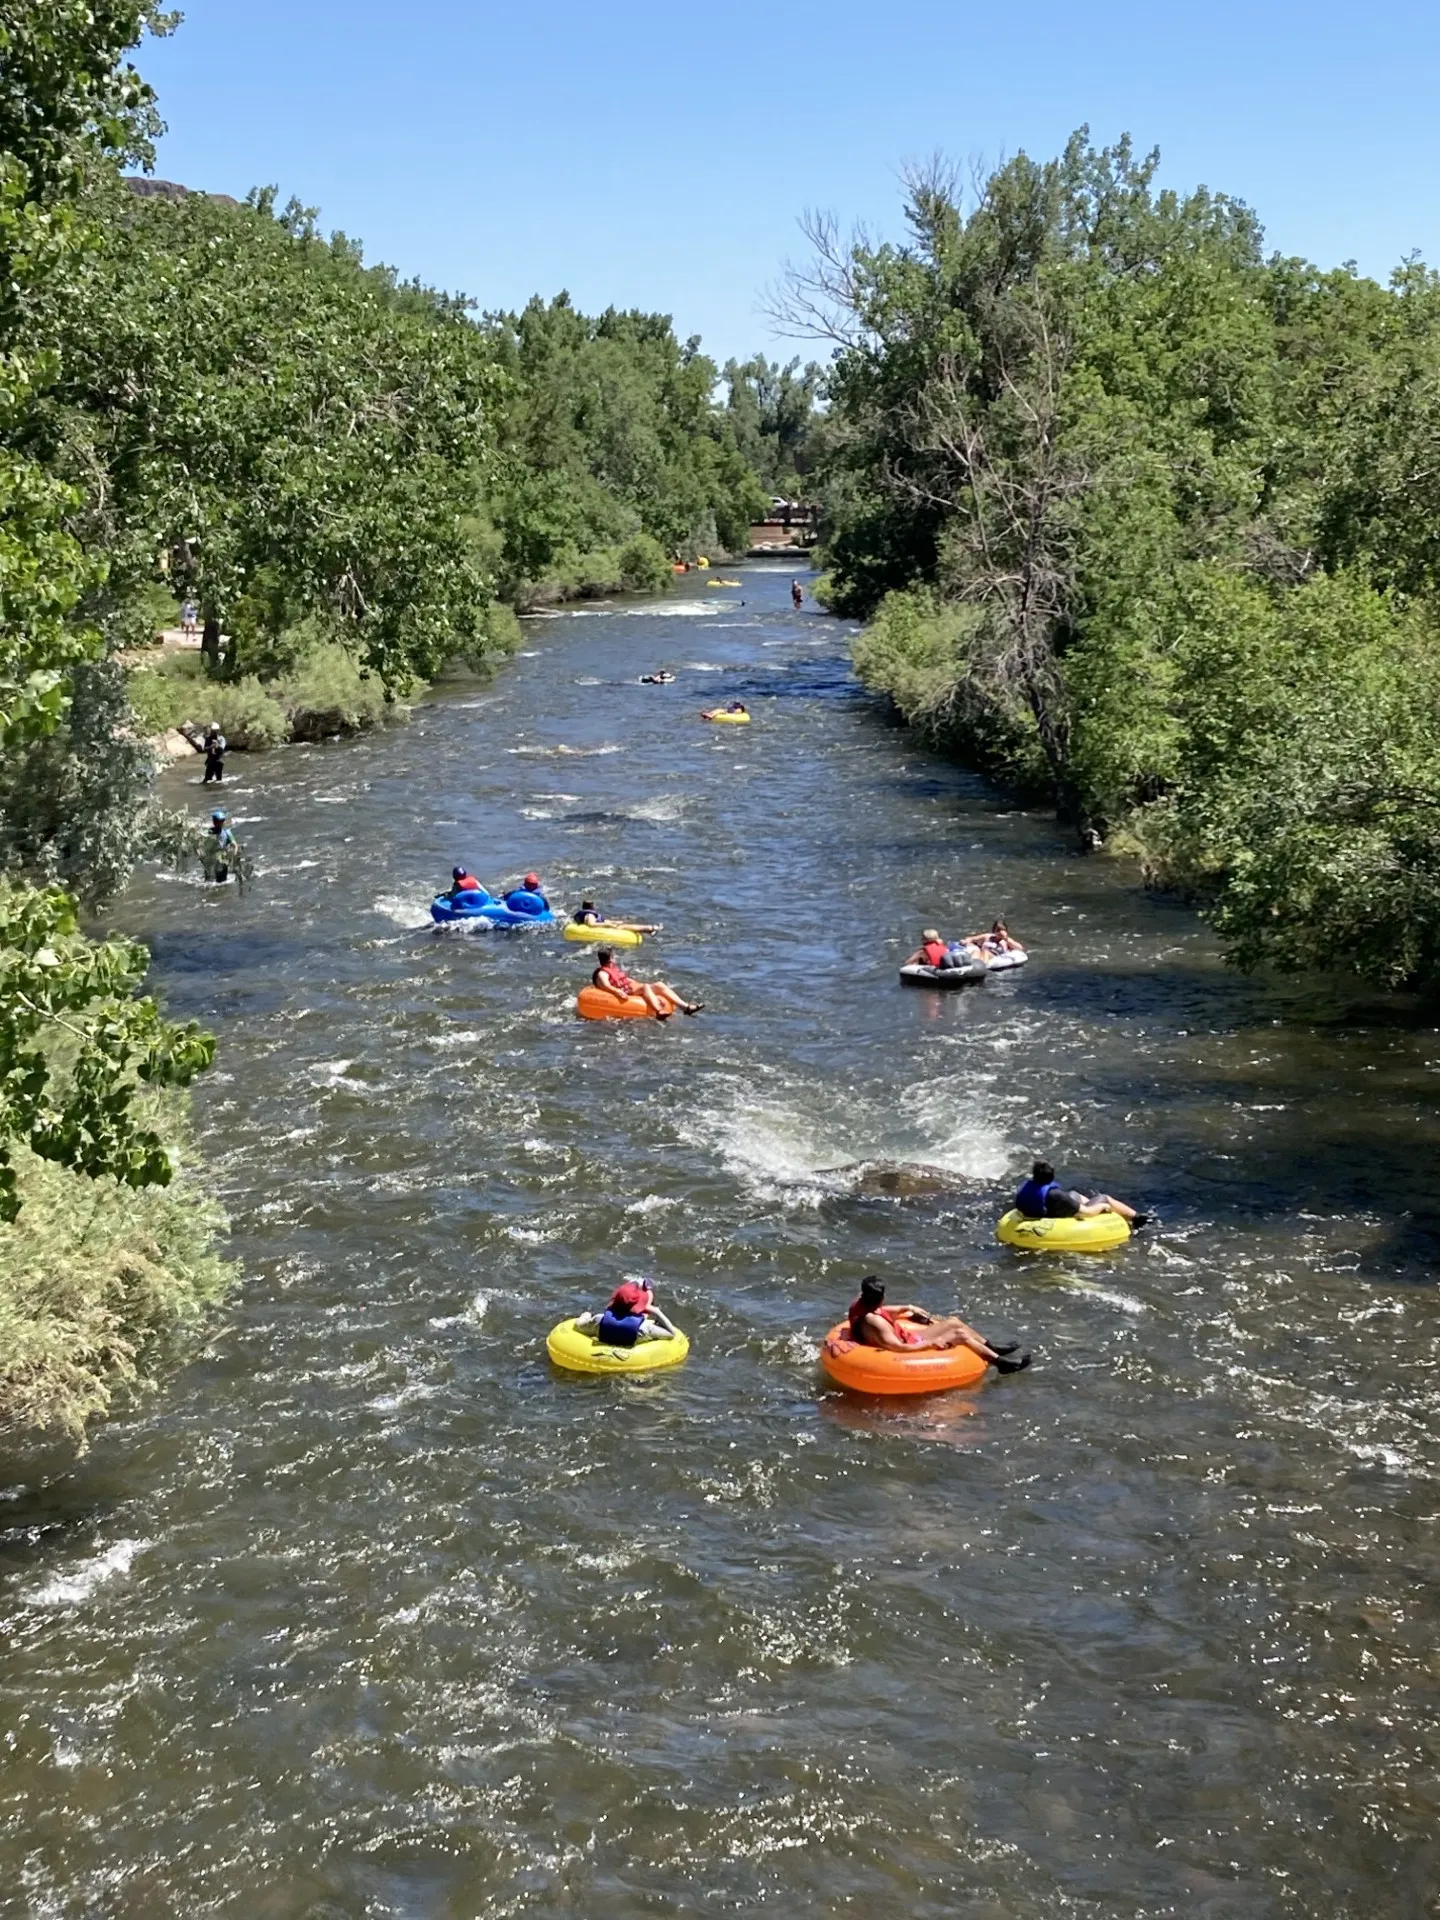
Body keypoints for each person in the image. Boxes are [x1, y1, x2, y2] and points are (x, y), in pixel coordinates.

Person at [845, 1276, 1029, 1371]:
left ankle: (992, 1347)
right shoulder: (876, 1323)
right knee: (960, 1335)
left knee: (953, 1322)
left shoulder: (860, 1303)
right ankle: (1001, 1364)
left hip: (907, 1336)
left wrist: (906, 1308)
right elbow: (897, 1347)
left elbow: (882, 1310)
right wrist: (929, 1344)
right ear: (881, 1297)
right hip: (910, 1345)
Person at [1014, 1159, 1148, 1227]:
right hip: (1055, 1217)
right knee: (1104, 1198)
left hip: (1038, 1213)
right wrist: (1102, 1206)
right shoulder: (1056, 1195)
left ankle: (1085, 1200)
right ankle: (1136, 1218)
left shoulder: (1025, 1187)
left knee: (1075, 1194)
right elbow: (1087, 1213)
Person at [592, 945, 701, 1020]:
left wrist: (637, 984)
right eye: (613, 956)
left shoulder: (613, 968)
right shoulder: (603, 973)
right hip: (624, 994)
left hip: (629, 988)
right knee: (645, 987)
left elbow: (625, 980)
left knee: (659, 985)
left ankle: (686, 1007)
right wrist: (617, 991)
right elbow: (606, 985)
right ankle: (658, 1011)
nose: (615, 957)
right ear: (610, 959)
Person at [576, 1278, 678, 1349]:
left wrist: (585, 1315)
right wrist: (656, 1311)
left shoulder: (599, 1320)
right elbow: (672, 1334)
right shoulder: (645, 1328)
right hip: (635, 1354)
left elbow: (579, 1326)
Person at [571, 898, 658, 934]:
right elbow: (592, 924)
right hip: (602, 930)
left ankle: (649, 930)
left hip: (603, 928)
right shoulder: (589, 915)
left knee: (622, 924)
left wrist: (612, 922)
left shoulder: (587, 914)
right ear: (592, 907)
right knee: (625, 927)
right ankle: (651, 928)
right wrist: (608, 925)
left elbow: (600, 921)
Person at [207, 807, 237, 883]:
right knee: (209, 880)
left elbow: (234, 845)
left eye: (221, 821)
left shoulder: (227, 833)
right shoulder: (209, 832)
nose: (219, 823)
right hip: (211, 860)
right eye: (217, 821)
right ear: (214, 821)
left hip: (223, 859)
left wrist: (233, 856)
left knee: (222, 881)